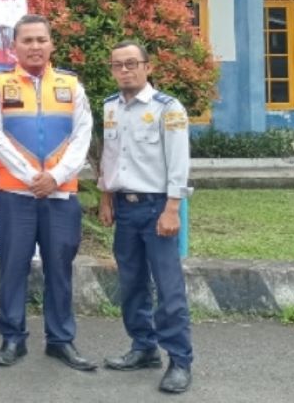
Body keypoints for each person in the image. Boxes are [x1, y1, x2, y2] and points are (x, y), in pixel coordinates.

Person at [0, 14, 96, 371]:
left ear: (51, 45)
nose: (34, 46)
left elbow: (82, 135)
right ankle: (12, 339)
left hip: (61, 196)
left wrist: (58, 176)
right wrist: (33, 175)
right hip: (16, 195)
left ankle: (61, 340)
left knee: (59, 270)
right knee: (13, 269)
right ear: (14, 46)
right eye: (27, 40)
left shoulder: (71, 86)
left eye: (40, 40)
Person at [99, 41, 194, 394]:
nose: (125, 70)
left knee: (169, 289)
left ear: (147, 67)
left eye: (132, 64)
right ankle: (143, 347)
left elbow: (178, 163)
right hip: (125, 208)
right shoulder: (110, 107)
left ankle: (180, 360)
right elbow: (110, 156)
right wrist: (106, 197)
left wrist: (172, 209)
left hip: (158, 209)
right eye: (118, 65)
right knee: (132, 283)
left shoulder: (168, 109)